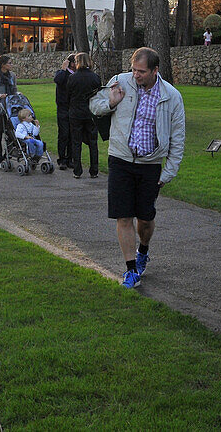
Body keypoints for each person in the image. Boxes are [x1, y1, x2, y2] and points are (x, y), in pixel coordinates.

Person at [89, 47, 185, 289]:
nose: (136, 75)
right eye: (133, 69)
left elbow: (178, 138)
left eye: (141, 71)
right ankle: (131, 269)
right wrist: (111, 102)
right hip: (120, 160)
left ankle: (143, 249)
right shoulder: (120, 82)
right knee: (123, 216)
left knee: (145, 219)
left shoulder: (171, 96)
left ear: (155, 70)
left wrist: (168, 172)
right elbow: (94, 105)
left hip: (150, 165)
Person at [66, 52, 102, 180]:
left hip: (76, 112)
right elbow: (99, 94)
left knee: (76, 142)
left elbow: (68, 95)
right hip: (91, 112)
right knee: (93, 142)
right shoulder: (95, 77)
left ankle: (77, 170)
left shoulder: (73, 78)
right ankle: (94, 170)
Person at [53, 54, 77, 169]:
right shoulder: (62, 74)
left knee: (72, 134)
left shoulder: (77, 75)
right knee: (63, 134)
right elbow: (57, 80)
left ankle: (69, 159)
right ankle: (62, 159)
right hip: (63, 107)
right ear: (71, 63)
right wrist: (63, 68)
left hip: (73, 107)